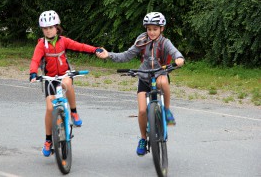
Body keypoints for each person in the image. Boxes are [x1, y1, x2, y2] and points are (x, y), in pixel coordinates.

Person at [96, 12, 185, 156]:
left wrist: (179, 59)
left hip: (159, 73)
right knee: (142, 111)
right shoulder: (141, 40)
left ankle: (167, 111)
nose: (151, 32)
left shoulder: (165, 42)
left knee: (163, 81)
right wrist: (109, 55)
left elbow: (176, 53)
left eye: (155, 29)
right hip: (144, 77)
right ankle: (143, 138)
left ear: (161, 29)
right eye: (149, 29)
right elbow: (126, 55)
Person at [30, 10, 102, 157]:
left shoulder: (63, 41)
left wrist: (95, 50)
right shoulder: (41, 45)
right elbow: (35, 60)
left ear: (57, 27)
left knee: (67, 83)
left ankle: (74, 112)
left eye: (51, 27)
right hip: (50, 79)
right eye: (45, 28)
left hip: (64, 75)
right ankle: (48, 140)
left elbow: (80, 46)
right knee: (50, 109)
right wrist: (33, 72)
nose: (48, 31)